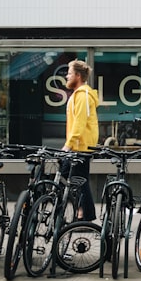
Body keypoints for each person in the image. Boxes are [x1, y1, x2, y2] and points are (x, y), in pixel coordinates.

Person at [62, 59, 99, 221]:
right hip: (78, 145)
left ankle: (84, 214)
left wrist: (68, 145)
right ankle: (82, 213)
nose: (66, 77)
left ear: (77, 75)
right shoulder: (78, 94)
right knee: (76, 180)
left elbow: (80, 121)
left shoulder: (83, 95)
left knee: (77, 180)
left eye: (69, 73)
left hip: (81, 146)